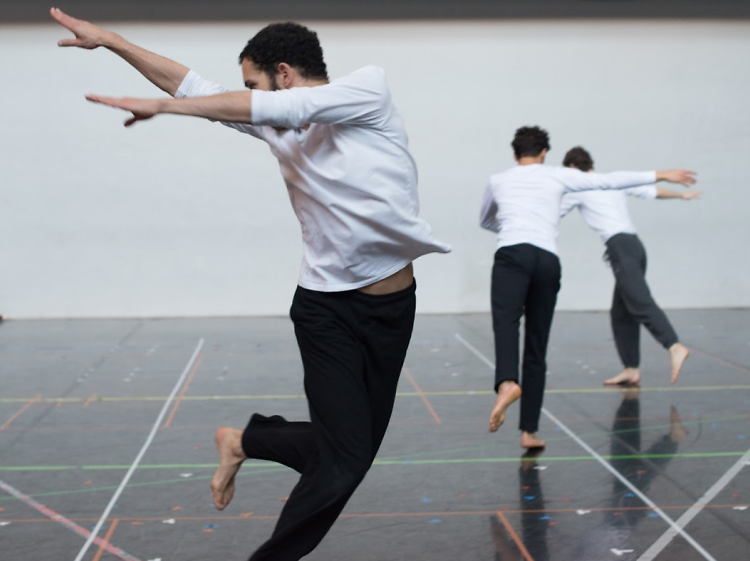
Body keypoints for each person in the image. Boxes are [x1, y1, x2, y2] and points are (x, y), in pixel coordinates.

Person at [51, 8, 450, 561]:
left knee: (349, 450)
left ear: (284, 72)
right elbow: (191, 84)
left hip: (392, 308)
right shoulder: (274, 120)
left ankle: (246, 440)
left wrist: (170, 109)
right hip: (324, 310)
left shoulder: (367, 91)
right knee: (342, 463)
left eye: (253, 83)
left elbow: (270, 105)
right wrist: (115, 42)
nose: (246, 96)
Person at [479, 126, 695, 449]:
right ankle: (529, 431)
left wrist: (514, 220)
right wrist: (663, 173)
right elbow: (611, 180)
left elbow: (485, 220)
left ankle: (507, 383)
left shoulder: (498, 180)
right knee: (538, 345)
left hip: (513, 253)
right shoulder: (559, 176)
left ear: (514, 154)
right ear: (543, 153)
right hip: (547, 260)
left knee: (506, 322)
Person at [560, 147, 700, 386]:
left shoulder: (579, 187)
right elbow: (652, 191)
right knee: (621, 312)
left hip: (621, 249)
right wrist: (681, 196)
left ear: (572, 168)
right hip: (635, 246)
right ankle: (631, 369)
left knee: (639, 301)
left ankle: (673, 345)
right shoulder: (613, 182)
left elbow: (554, 211)